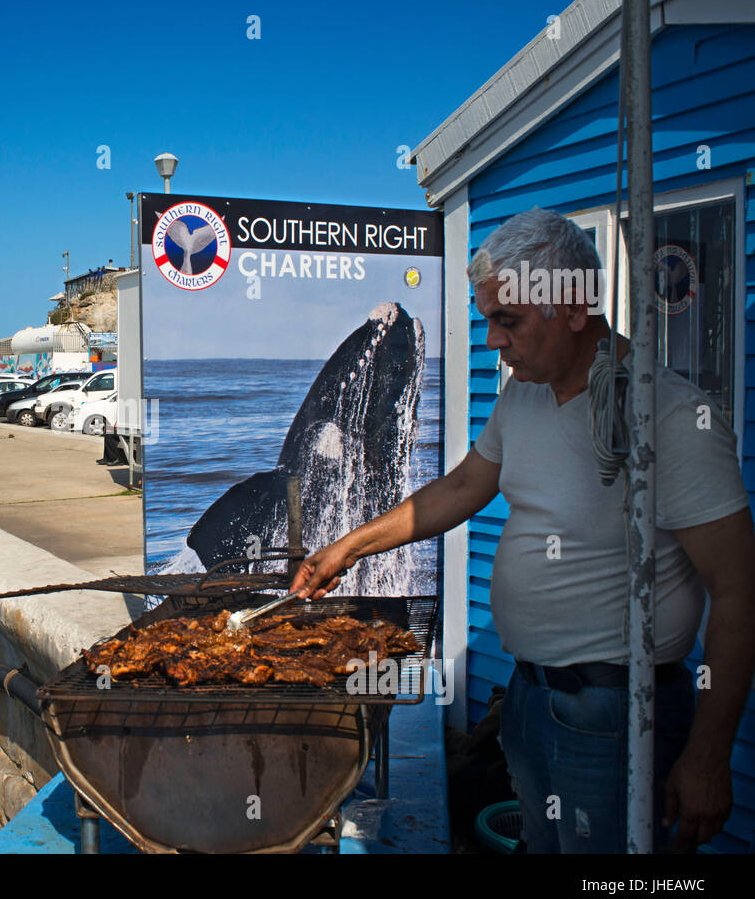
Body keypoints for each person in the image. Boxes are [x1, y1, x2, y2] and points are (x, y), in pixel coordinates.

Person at [290, 208, 755, 855]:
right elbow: (459, 489)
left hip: (615, 715)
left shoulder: (672, 416)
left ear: (570, 306)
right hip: (530, 698)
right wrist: (345, 548)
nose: (492, 342)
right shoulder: (523, 396)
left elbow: (737, 590)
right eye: (488, 320)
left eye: (505, 320)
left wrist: (708, 756)